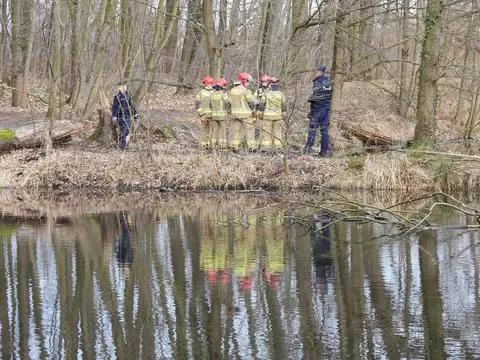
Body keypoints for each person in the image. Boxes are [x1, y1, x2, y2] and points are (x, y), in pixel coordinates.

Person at [303, 66, 332, 157]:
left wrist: (310, 100)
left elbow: (315, 97)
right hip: (326, 110)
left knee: (312, 130)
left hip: (317, 110)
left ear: (320, 72)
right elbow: (330, 96)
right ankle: (324, 151)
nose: (315, 73)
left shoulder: (318, 82)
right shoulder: (328, 83)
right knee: (324, 132)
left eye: (316, 71)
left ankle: (307, 150)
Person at [229, 72, 256, 151]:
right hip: (246, 115)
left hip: (235, 115)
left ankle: (235, 147)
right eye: (247, 81)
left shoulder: (232, 90)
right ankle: (251, 148)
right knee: (249, 131)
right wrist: (253, 111)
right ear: (244, 81)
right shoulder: (245, 90)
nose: (248, 83)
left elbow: (230, 102)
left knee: (236, 131)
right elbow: (251, 102)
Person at [258, 77, 286, 151]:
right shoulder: (281, 94)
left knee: (266, 132)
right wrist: (283, 114)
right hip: (278, 116)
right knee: (278, 132)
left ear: (270, 84)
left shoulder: (266, 94)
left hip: (267, 116)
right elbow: (284, 106)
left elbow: (262, 105)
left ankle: (265, 148)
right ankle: (279, 147)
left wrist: (260, 114)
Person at [111, 81, 139, 150]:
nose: (124, 88)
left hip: (128, 116)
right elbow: (114, 106)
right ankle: (122, 145)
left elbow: (132, 105)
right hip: (120, 116)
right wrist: (114, 116)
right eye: (122, 86)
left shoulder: (129, 96)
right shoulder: (117, 97)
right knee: (124, 130)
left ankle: (124, 143)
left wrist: (135, 113)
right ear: (119, 88)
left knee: (128, 131)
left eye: (125, 86)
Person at [195, 76, 215, 149]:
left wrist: (201, 114)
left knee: (204, 131)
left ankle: (203, 146)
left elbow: (197, 105)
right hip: (213, 116)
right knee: (213, 131)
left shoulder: (200, 93)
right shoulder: (215, 93)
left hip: (204, 116)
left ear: (204, 83)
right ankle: (211, 146)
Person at [210, 78, 231, 148]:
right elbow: (229, 102)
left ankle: (213, 145)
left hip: (214, 116)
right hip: (222, 116)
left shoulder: (212, 94)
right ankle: (223, 145)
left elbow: (210, 104)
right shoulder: (223, 94)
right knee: (223, 130)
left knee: (214, 131)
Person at [254, 75, 271, 144]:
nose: (264, 83)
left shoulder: (271, 91)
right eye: (263, 82)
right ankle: (257, 143)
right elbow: (253, 99)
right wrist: (257, 102)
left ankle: (266, 144)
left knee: (267, 129)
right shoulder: (258, 91)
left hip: (268, 112)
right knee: (257, 128)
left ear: (268, 82)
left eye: (266, 82)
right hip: (259, 112)